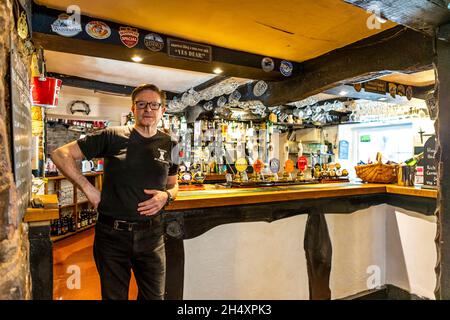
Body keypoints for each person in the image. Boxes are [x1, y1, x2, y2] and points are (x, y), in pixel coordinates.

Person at [51, 84, 179, 300]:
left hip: (152, 236)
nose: (148, 109)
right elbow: (60, 154)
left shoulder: (171, 144)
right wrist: (88, 189)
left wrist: (166, 196)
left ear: (162, 110)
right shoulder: (111, 136)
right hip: (112, 236)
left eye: (154, 105)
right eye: (141, 104)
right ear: (133, 108)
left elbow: (173, 186)